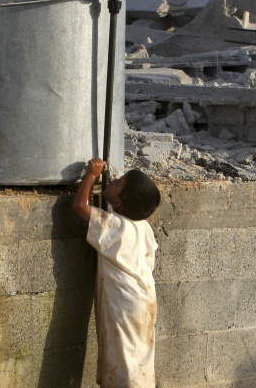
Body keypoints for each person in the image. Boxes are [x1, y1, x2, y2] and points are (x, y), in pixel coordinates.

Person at [72, 158, 161, 387]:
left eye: (118, 182)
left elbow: (80, 206)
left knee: (124, 363)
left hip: (125, 305)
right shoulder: (143, 226)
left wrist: (92, 175)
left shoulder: (115, 226)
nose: (113, 180)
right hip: (144, 300)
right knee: (138, 360)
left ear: (119, 202)